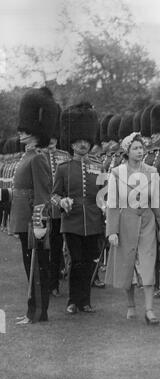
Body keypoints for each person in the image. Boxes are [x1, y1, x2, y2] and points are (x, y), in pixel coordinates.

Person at [105, 132, 160, 324]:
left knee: (148, 263)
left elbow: (157, 200)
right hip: (125, 221)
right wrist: (112, 231)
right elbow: (112, 203)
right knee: (127, 264)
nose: (140, 152)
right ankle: (131, 305)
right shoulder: (116, 172)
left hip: (147, 221)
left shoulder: (152, 171)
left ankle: (149, 310)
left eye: (142, 148)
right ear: (127, 151)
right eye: (136, 148)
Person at [51, 102, 105, 314]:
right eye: (79, 141)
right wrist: (62, 202)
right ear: (72, 143)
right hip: (72, 220)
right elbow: (54, 195)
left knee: (90, 261)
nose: (83, 144)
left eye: (86, 141)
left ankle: (86, 301)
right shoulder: (63, 168)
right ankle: (73, 300)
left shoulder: (98, 166)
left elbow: (105, 192)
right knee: (77, 261)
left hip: (93, 219)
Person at [11, 86, 58, 325]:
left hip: (32, 222)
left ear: (35, 132)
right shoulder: (28, 155)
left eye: (25, 130)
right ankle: (32, 311)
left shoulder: (38, 157)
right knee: (30, 266)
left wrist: (39, 223)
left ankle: (39, 313)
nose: (21, 133)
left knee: (37, 268)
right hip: (23, 220)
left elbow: (43, 194)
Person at [43, 104, 70, 297]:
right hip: (44, 209)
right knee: (46, 248)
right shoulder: (38, 156)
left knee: (58, 246)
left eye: (54, 136)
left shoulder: (64, 156)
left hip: (60, 209)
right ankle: (48, 281)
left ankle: (55, 283)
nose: (52, 140)